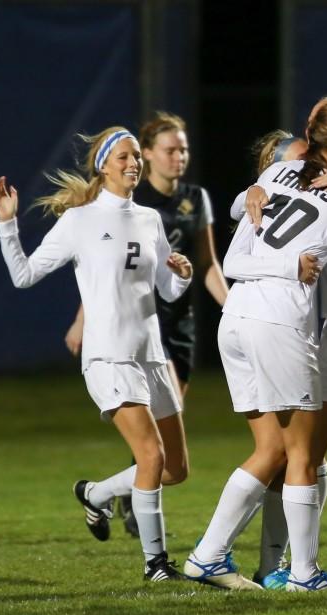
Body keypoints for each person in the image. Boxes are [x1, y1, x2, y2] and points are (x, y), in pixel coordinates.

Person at [183, 97, 327, 592]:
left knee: (271, 450)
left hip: (235, 321)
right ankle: (304, 574)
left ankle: (208, 558)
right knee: (304, 455)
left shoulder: (278, 177)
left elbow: (235, 262)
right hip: (279, 325)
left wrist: (250, 196)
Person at [0, 127, 193, 581]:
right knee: (151, 458)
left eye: (137, 156)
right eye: (123, 157)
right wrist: (7, 223)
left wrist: (182, 274)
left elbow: (167, 290)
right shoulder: (80, 221)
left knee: (175, 470)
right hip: (108, 357)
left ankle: (96, 493)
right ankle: (156, 565)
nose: (133, 163)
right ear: (103, 165)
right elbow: (24, 276)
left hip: (151, 356)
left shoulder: (149, 219)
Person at [64, 112, 228, 537]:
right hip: (133, 332)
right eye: (170, 149)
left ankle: (107, 492)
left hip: (178, 327)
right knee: (155, 448)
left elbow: (208, 264)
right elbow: (104, 273)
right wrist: (83, 321)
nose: (179, 157)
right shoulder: (131, 201)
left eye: (184, 149)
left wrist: (233, 308)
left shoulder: (196, 198)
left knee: (168, 450)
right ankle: (141, 517)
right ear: (148, 154)